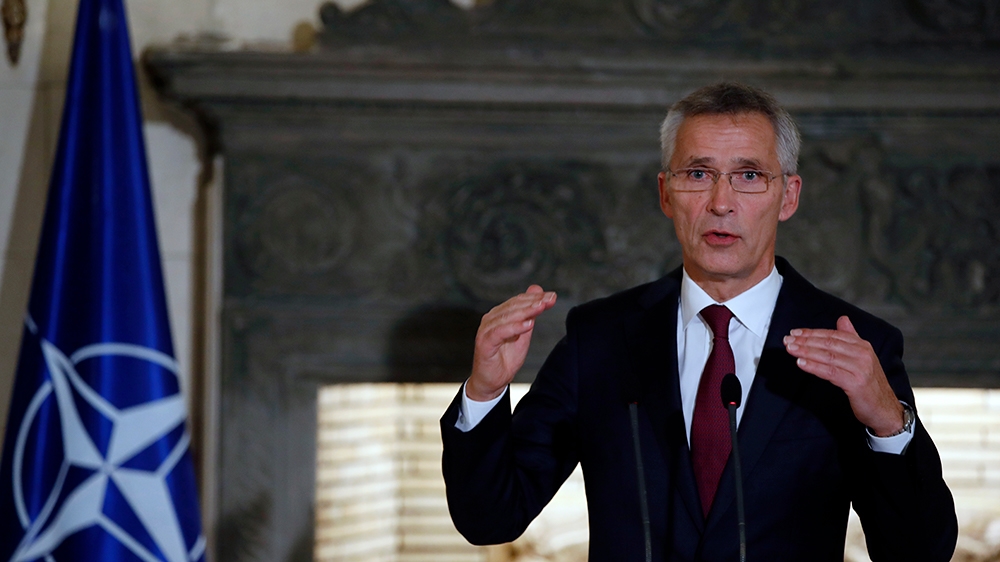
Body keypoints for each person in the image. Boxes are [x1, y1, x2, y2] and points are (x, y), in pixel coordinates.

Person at [440, 82, 958, 561]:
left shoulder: (857, 347)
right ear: (666, 193)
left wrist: (887, 422)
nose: (721, 203)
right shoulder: (599, 340)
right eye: (698, 174)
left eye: (749, 176)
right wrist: (485, 392)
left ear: (789, 196)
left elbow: (918, 551)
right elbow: (490, 519)